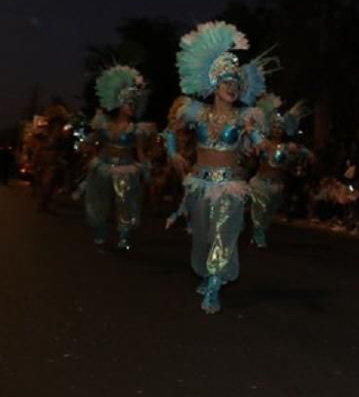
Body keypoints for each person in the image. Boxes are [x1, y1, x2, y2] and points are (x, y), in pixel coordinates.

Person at [163, 21, 275, 314]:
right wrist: (174, 153)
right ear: (214, 83)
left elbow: (260, 145)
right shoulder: (196, 112)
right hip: (199, 182)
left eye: (236, 84)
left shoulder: (245, 117)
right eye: (227, 82)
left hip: (229, 185)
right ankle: (206, 272)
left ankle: (214, 284)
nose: (232, 88)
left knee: (224, 234)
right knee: (202, 236)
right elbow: (170, 130)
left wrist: (259, 139)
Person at [83, 65, 154, 249]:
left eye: (133, 104)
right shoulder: (104, 124)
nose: (132, 108)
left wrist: (146, 168)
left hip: (125, 168)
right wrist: (91, 158)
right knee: (100, 201)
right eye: (129, 104)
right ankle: (100, 232)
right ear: (120, 104)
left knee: (124, 201)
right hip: (104, 166)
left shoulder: (136, 129)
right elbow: (94, 143)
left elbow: (140, 152)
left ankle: (124, 235)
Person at [248, 94, 313, 249]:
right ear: (270, 128)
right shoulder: (263, 143)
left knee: (269, 212)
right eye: (275, 127)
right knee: (259, 209)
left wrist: (306, 154)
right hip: (260, 183)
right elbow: (251, 153)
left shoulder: (287, 147)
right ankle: (259, 235)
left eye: (280, 127)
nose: (277, 129)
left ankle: (260, 231)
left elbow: (303, 154)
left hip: (277, 186)